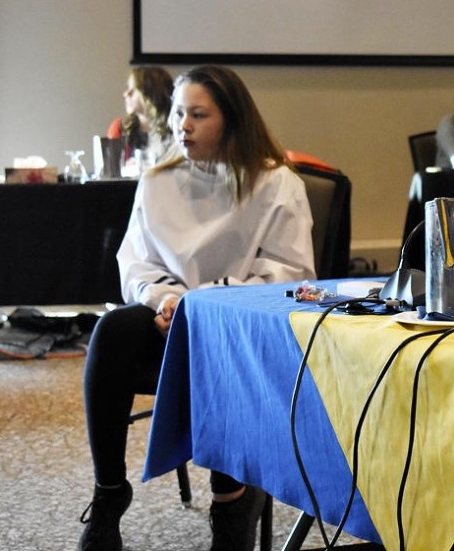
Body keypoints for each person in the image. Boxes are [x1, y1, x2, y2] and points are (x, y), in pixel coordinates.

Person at [78, 65, 316, 551]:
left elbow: (290, 274)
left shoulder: (276, 183)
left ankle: (231, 500)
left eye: (198, 115)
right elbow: (134, 265)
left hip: (239, 328)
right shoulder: (158, 181)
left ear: (232, 120)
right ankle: (108, 493)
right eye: (178, 113)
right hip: (168, 321)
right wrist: (168, 300)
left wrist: (200, 307)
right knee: (112, 331)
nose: (182, 125)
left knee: (216, 346)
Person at [107, 66, 175, 166]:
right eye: (127, 88)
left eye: (133, 89)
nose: (126, 94)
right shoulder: (119, 128)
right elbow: (112, 171)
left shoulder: (177, 128)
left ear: (151, 94)